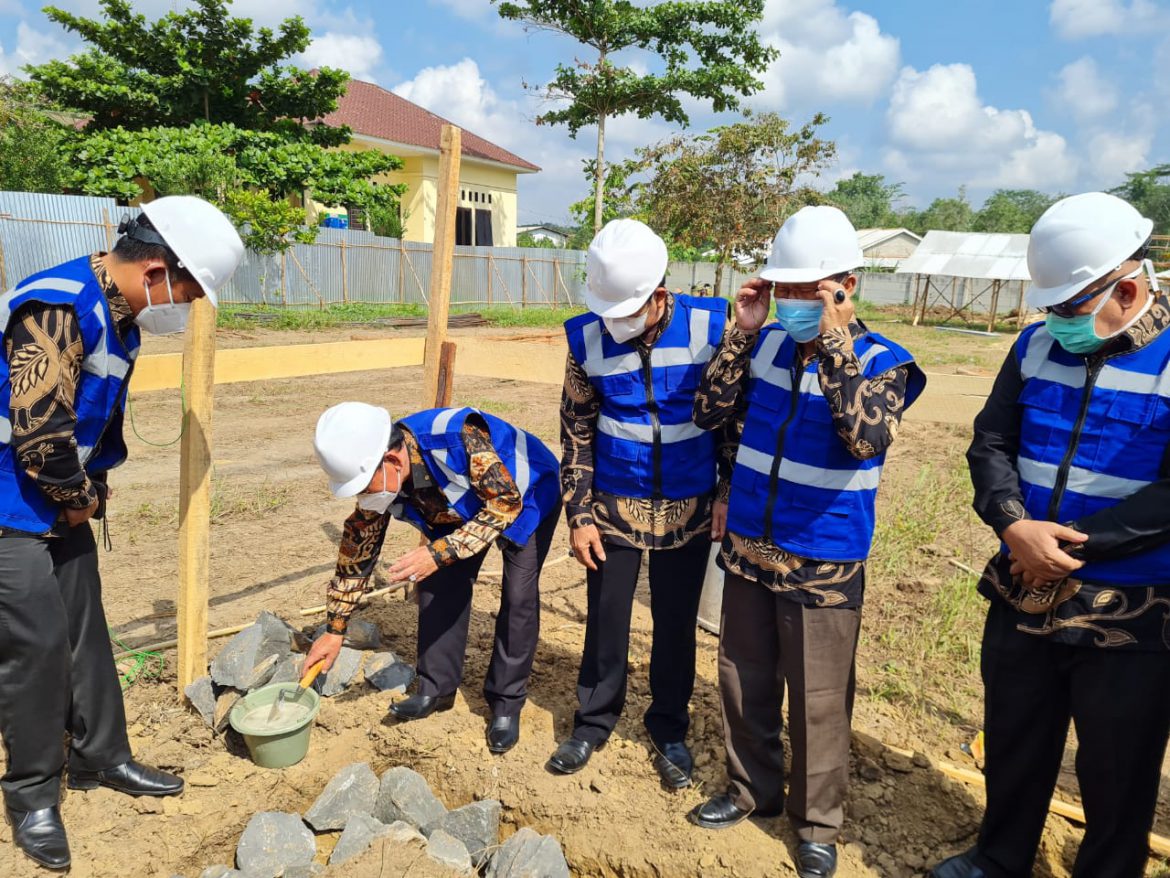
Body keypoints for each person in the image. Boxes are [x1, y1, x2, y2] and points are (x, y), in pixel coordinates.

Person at [930, 193, 1170, 878]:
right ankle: (999, 857)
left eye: (1068, 308)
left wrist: (1070, 548)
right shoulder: (1035, 345)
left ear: (1127, 288)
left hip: (1131, 609)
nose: (1054, 323)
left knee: (1117, 766)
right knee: (1015, 736)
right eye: (1051, 308)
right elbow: (991, 441)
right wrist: (1012, 523)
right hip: (1024, 588)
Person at [0, 196, 244, 870]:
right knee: (37, 647)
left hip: (53, 501)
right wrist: (77, 496)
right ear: (160, 270)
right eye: (190, 293)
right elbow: (41, 433)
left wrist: (93, 488)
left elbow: (94, 427)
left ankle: (101, 756)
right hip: (9, 504)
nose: (189, 307)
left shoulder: (119, 318)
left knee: (85, 633)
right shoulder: (57, 305)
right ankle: (31, 794)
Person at [688, 206, 925, 878]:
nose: (790, 302)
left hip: (823, 552)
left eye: (806, 290)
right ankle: (751, 790)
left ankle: (817, 824)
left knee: (819, 696)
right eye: (782, 288)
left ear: (846, 287)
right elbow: (709, 413)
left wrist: (835, 344)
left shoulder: (884, 361)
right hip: (749, 544)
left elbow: (866, 439)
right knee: (742, 676)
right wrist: (740, 333)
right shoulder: (762, 344)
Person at [548, 218, 729, 789]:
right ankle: (593, 720)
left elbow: (735, 422)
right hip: (612, 506)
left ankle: (669, 727)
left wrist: (727, 493)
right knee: (606, 619)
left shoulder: (712, 328)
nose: (615, 322)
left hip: (691, 505)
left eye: (627, 309)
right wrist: (578, 515)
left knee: (676, 624)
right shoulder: (586, 340)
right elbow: (575, 432)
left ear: (660, 294)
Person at [307, 403, 562, 754]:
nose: (363, 498)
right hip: (457, 504)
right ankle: (436, 689)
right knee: (438, 584)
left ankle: (505, 704)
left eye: (364, 486)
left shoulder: (458, 439)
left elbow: (504, 503)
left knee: (518, 596)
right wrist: (334, 630)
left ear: (393, 462)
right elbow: (357, 552)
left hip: (524, 493)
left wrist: (438, 552)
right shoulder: (383, 478)